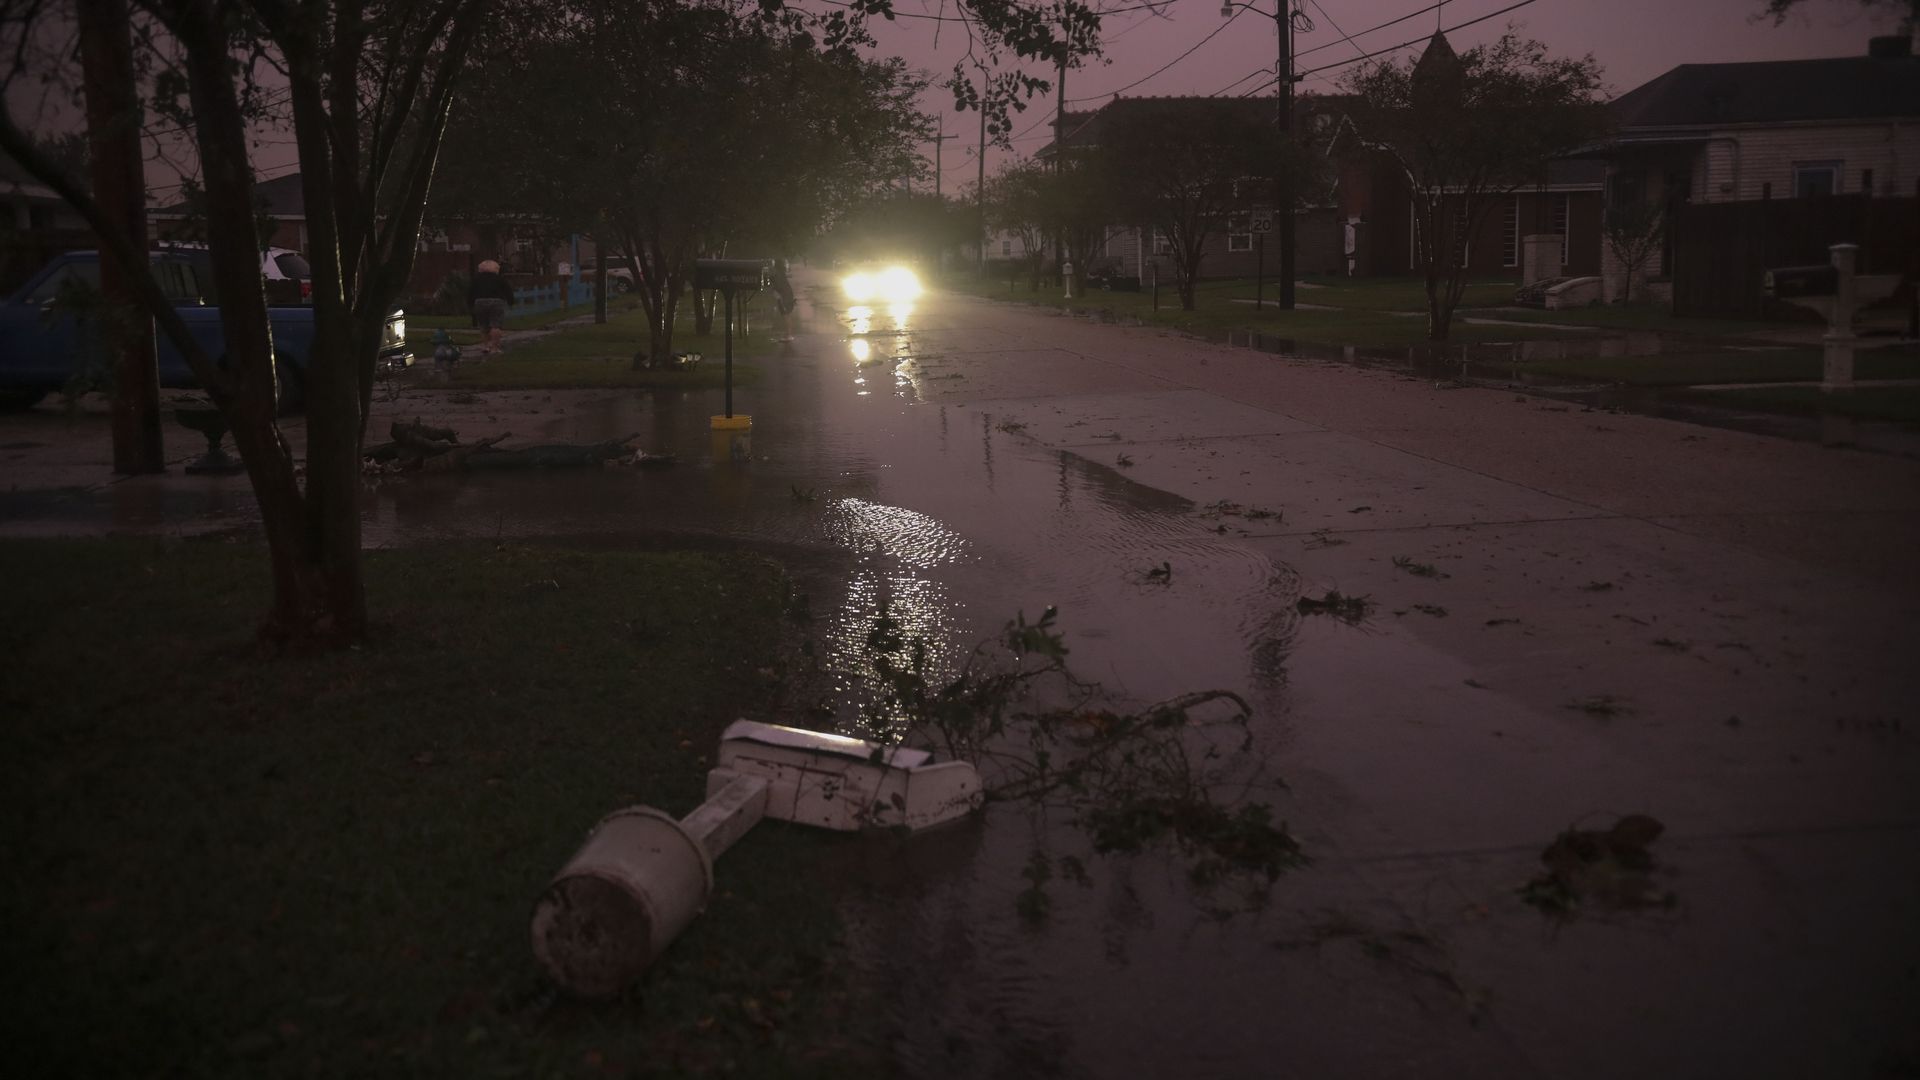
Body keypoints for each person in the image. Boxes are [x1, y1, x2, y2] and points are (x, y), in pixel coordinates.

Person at [468, 258, 514, 357]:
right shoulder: (499, 279)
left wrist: (470, 304)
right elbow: (508, 290)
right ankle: (494, 348)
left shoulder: (476, 279)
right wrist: (510, 302)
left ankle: (486, 346)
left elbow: (471, 292)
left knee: (483, 325)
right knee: (495, 325)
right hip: (496, 302)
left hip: (480, 302)